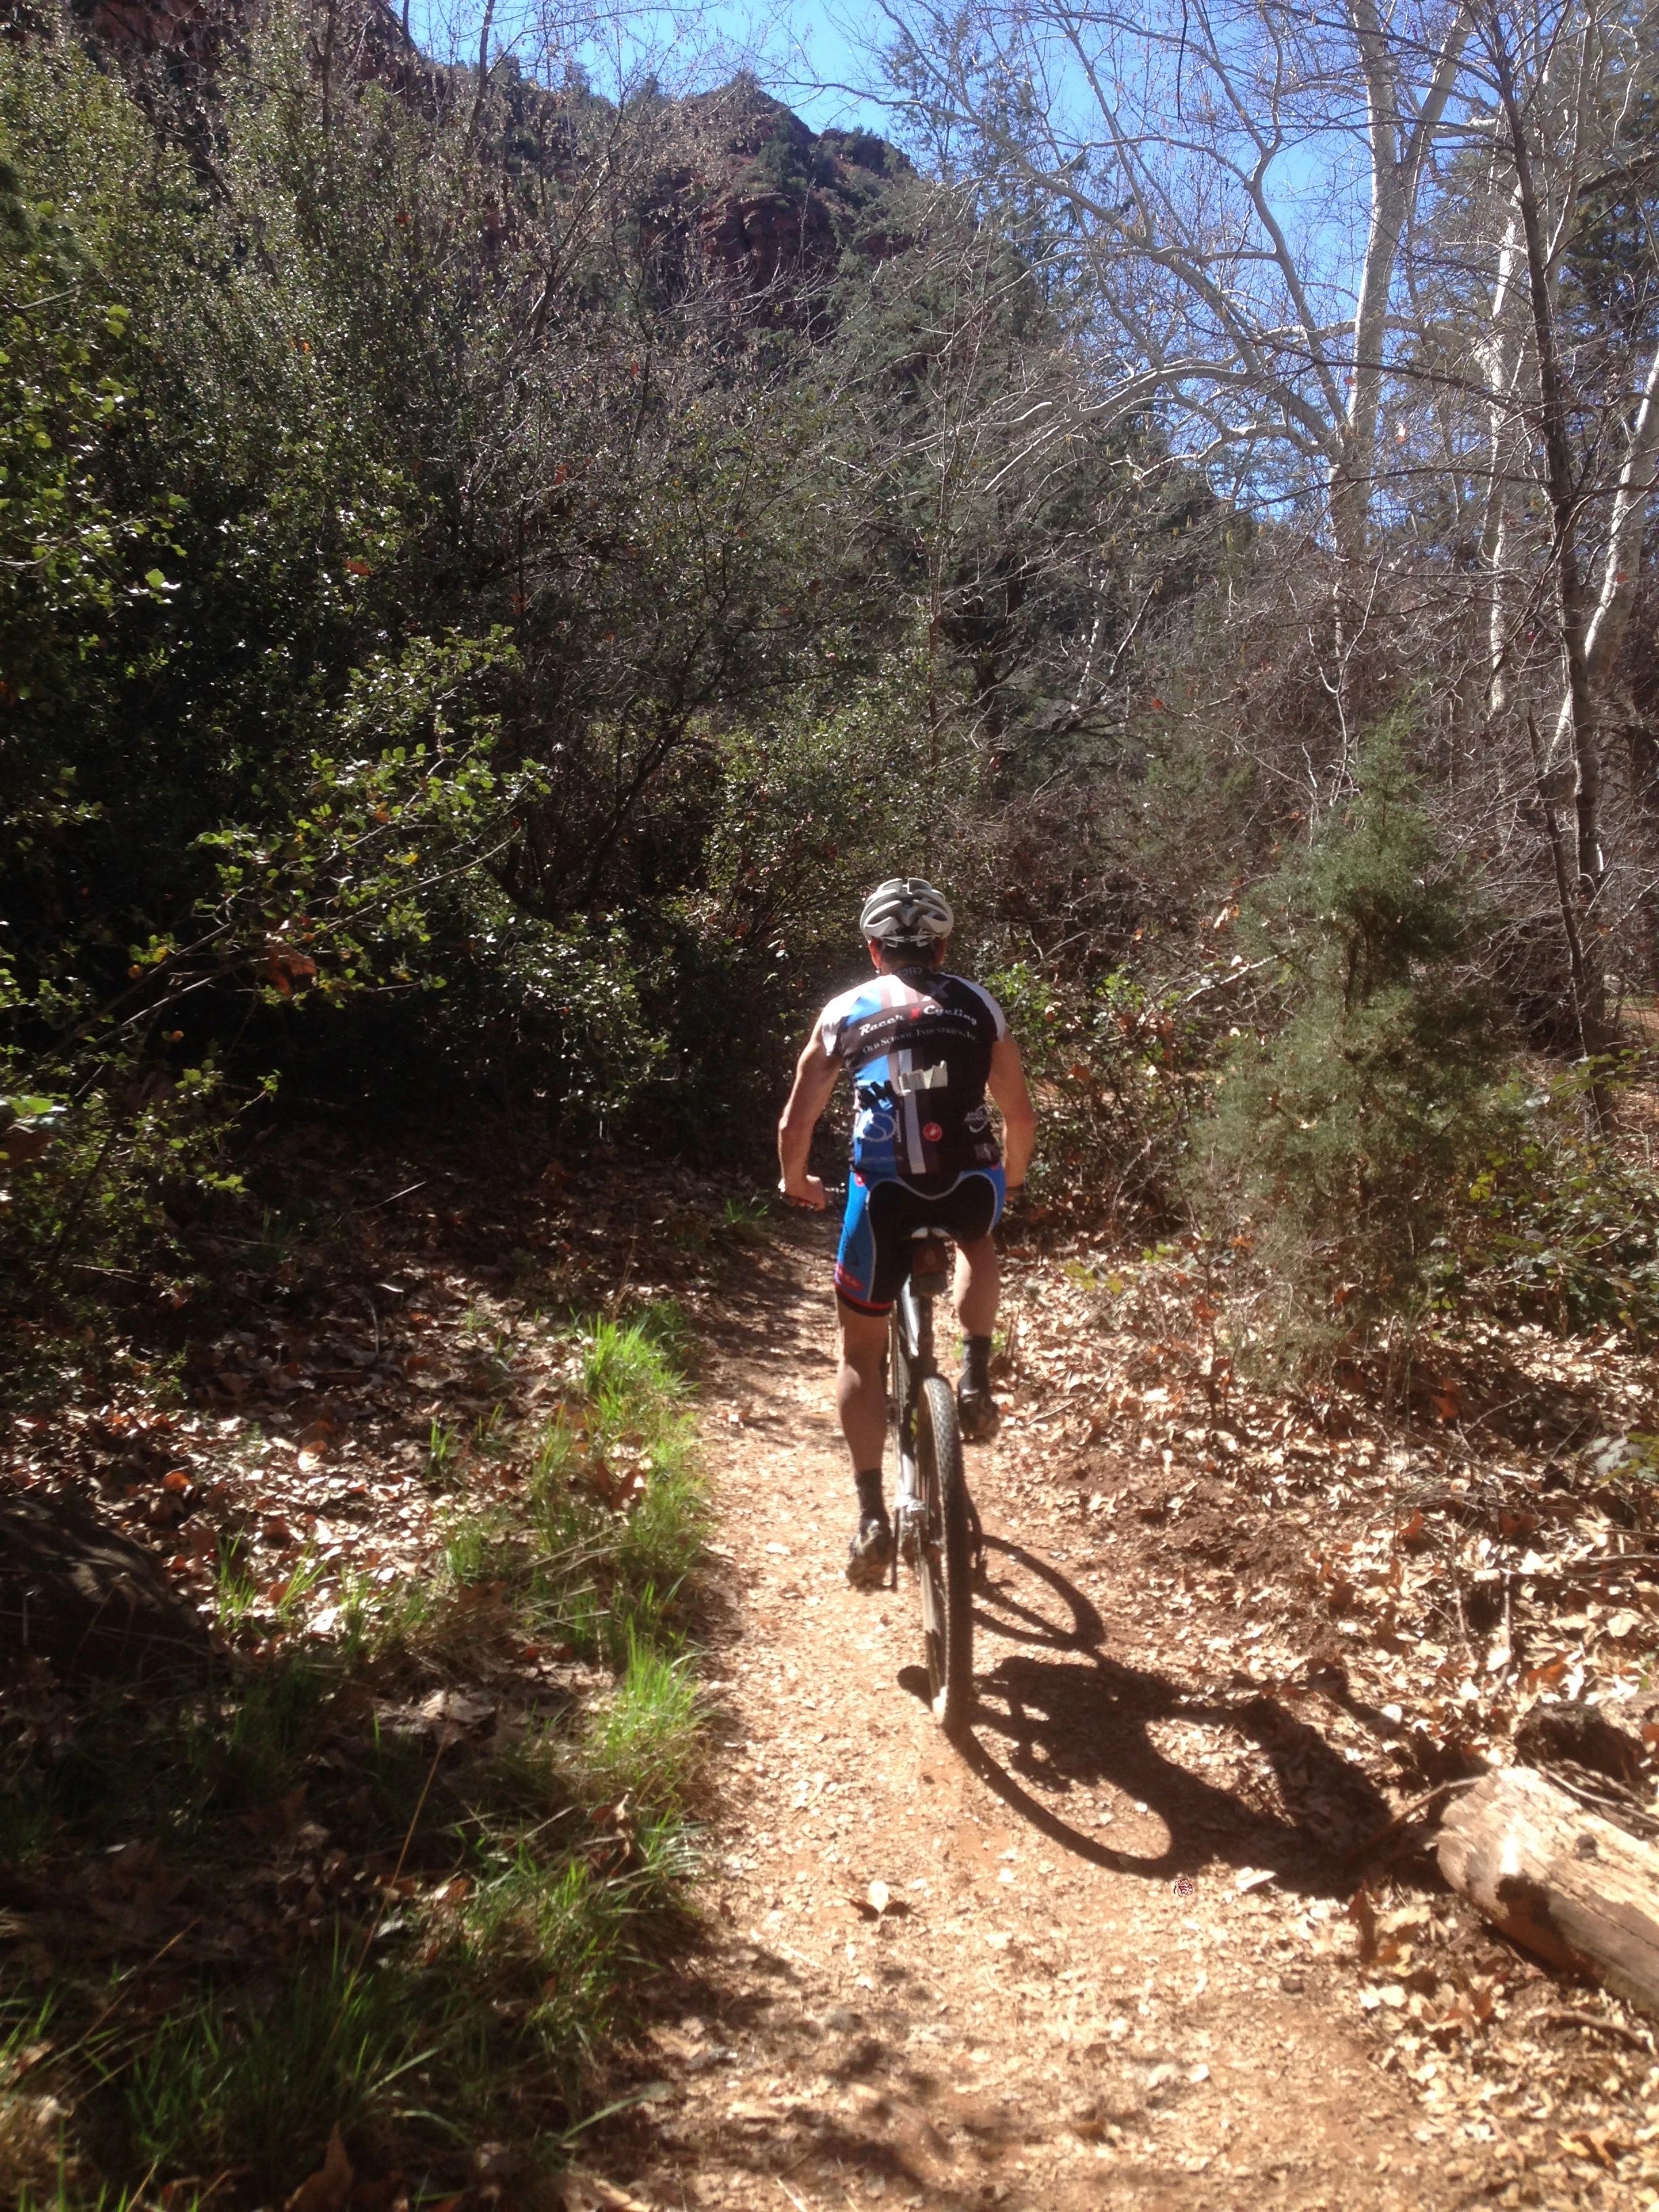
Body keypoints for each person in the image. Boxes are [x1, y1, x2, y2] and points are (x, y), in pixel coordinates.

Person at [776, 878, 1037, 1589]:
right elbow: (1021, 1115)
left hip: (882, 1194)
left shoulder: (843, 1011)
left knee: (861, 1349)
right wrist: (1009, 1179)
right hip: (968, 1183)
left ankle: (870, 1515)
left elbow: (794, 1125)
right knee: (978, 1245)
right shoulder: (979, 1004)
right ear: (944, 947)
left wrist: (795, 1182)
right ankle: (977, 1373)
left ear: (873, 949)